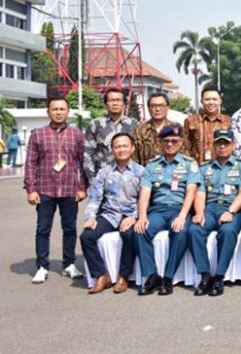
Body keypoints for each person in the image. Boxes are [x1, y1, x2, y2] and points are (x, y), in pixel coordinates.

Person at [24, 96, 87, 283]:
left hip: (69, 190)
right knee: (43, 229)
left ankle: (69, 264)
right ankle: (42, 266)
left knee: (69, 229)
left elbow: (83, 163)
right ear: (48, 112)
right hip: (44, 189)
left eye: (62, 109)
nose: (58, 112)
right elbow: (30, 163)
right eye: (55, 109)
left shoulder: (77, 135)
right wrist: (31, 189)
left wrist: (82, 187)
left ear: (68, 111)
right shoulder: (38, 134)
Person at [134, 124, 202, 295]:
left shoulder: (189, 164)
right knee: (140, 231)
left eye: (174, 141)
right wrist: (142, 216)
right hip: (157, 210)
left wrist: (182, 216)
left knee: (180, 232)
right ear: (160, 143)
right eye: (166, 141)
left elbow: (191, 191)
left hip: (179, 209)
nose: (170, 144)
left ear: (181, 143)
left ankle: (168, 278)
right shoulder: (152, 165)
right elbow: (145, 192)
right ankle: (151, 275)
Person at [188, 129, 241, 296]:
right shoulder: (205, 168)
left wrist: (230, 211)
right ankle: (205, 275)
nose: (222, 146)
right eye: (219, 143)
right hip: (210, 208)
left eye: (226, 143)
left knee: (228, 231)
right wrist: (199, 213)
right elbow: (200, 193)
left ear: (234, 145)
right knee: (194, 229)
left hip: (232, 209)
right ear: (214, 145)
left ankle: (219, 277)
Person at [79, 133, 144, 294]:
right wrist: (90, 217)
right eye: (117, 146)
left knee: (129, 235)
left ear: (132, 148)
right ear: (112, 150)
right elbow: (95, 197)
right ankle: (101, 275)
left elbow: (145, 199)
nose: (121, 149)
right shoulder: (104, 172)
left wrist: (134, 217)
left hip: (131, 213)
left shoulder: (141, 172)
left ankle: (124, 276)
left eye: (125, 146)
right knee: (86, 237)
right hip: (110, 214)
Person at [83, 88, 137, 182]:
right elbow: (88, 154)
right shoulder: (96, 124)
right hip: (102, 179)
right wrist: (93, 180)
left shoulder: (134, 124)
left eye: (118, 100)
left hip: (129, 180)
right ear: (105, 104)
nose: (115, 103)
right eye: (111, 100)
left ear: (124, 104)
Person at [183, 86, 231, 163]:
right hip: (197, 168)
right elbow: (185, 146)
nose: (211, 102)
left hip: (219, 167)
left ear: (220, 101)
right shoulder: (191, 121)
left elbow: (232, 146)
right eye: (207, 99)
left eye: (214, 99)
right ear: (201, 101)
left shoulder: (228, 121)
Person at [133, 92, 177, 165]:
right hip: (146, 174)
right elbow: (134, 158)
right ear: (148, 108)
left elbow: (184, 155)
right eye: (153, 106)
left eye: (161, 105)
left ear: (168, 107)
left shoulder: (176, 129)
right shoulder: (139, 130)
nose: (157, 109)